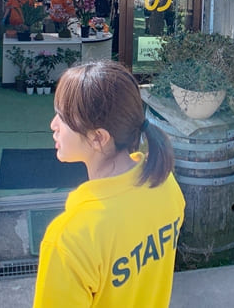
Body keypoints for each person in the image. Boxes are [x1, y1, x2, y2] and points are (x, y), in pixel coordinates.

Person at [34, 61, 184, 307]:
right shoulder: (165, 184)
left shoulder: (69, 240)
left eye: (62, 116)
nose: (53, 125)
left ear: (98, 137)